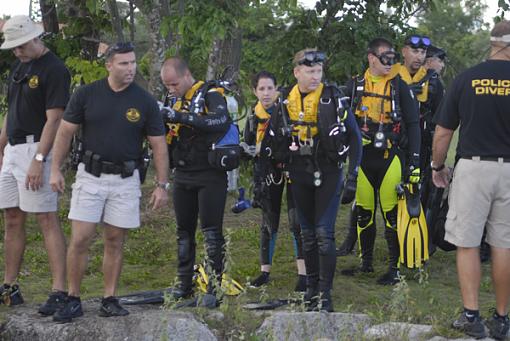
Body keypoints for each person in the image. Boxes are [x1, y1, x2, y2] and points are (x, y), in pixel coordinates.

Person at [48, 42, 169, 323]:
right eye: (124, 63)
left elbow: (159, 146)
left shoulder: (144, 100)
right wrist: (54, 170)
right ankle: (73, 297)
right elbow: (65, 133)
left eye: (133, 63)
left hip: (126, 180)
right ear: (109, 65)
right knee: (81, 238)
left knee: (114, 240)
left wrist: (162, 185)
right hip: (90, 176)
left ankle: (109, 298)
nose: (131, 68)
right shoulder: (87, 94)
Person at [265, 48, 362, 311]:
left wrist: (353, 175)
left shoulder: (333, 98)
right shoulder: (285, 102)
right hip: (299, 172)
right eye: (310, 71)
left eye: (319, 71)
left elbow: (355, 137)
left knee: (323, 234)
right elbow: (270, 142)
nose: (315, 77)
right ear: (297, 72)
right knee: (306, 234)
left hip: (329, 171)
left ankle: (325, 294)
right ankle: (311, 290)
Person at [432, 20, 510, 340]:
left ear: (492, 44)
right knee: (504, 245)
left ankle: (471, 316)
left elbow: (443, 132)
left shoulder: (467, 78)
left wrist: (438, 166)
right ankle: (503, 320)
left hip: (474, 169)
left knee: (467, 242)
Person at [0, 15, 69, 314]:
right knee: (12, 218)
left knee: (45, 218)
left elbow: (55, 119)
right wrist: (1, 145)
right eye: (12, 47)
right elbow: (11, 110)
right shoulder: (19, 66)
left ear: (34, 38)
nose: (16, 51)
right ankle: (9, 286)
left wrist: (39, 160)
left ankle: (59, 290)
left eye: (20, 45)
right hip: (13, 148)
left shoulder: (54, 69)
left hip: (36, 148)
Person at [339, 38, 421, 284]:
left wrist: (414, 163)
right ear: (371, 57)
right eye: (384, 56)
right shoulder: (354, 85)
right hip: (362, 159)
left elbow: (414, 125)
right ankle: (366, 264)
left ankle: (394, 269)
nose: (390, 62)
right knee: (364, 212)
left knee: (391, 214)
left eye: (392, 57)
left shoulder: (399, 86)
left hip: (389, 158)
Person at [160, 57, 231, 307]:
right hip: (182, 173)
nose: (171, 89)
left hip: (210, 174)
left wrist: (180, 116)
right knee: (183, 232)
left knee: (211, 232)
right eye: (167, 86)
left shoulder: (211, 94)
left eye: (174, 84)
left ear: (187, 74)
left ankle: (213, 287)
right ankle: (184, 284)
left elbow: (220, 121)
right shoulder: (172, 99)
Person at [243, 71, 306, 291]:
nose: (266, 93)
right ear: (255, 91)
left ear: (277, 89)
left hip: (292, 171)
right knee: (269, 222)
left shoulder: (289, 110)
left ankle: (303, 274)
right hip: (268, 173)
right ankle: (264, 272)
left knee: (297, 221)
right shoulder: (253, 116)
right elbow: (248, 145)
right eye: (261, 89)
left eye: (270, 88)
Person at [398, 35, 444, 210]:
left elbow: (441, 120)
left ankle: (416, 230)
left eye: (423, 52)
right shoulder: (392, 77)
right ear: (404, 52)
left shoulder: (433, 82)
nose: (419, 56)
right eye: (414, 51)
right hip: (394, 142)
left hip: (422, 146)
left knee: (418, 191)